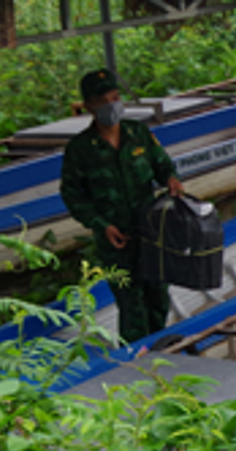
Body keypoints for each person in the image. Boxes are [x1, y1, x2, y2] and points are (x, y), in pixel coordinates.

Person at [61, 69, 182, 345]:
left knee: (158, 296)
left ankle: (161, 349)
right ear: (90, 106)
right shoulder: (80, 149)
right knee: (131, 306)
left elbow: (162, 164)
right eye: (104, 100)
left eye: (115, 97)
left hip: (150, 232)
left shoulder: (137, 133)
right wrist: (101, 225)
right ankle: (137, 360)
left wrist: (171, 180)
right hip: (116, 239)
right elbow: (72, 194)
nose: (112, 104)